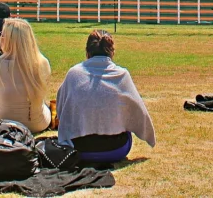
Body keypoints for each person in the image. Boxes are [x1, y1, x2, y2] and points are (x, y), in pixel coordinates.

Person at [56, 30, 156, 163]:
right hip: (116, 148)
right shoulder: (122, 75)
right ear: (112, 52)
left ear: (87, 52)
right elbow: (139, 111)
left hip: (79, 148)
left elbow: (61, 108)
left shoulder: (73, 74)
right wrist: (148, 136)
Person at [0, 18, 52, 133]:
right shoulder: (42, 63)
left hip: (2, 123)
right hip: (36, 124)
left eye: (2, 34)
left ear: (8, 40)